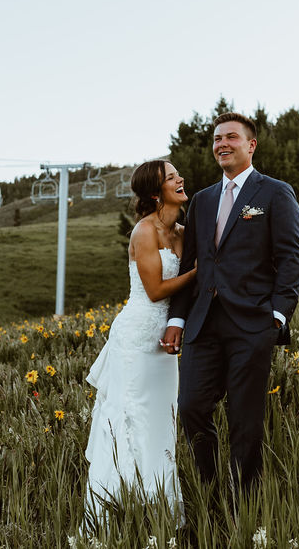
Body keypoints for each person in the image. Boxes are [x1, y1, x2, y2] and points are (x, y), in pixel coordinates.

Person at [163, 111, 299, 497]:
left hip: (252, 324)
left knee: (245, 420)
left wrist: (276, 317)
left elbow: (292, 257)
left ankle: (244, 502)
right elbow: (189, 264)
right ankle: (209, 491)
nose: (222, 144)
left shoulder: (275, 192)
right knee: (192, 407)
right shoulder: (203, 201)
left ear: (251, 145)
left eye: (230, 137)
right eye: (216, 139)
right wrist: (177, 318)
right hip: (202, 324)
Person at [84, 160, 197, 526]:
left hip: (166, 344)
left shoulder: (183, 232)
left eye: (177, 174)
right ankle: (115, 514)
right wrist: (203, 270)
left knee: (161, 423)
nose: (179, 179)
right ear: (154, 191)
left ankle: (160, 514)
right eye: (170, 177)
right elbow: (155, 290)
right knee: (130, 419)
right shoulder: (144, 232)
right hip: (136, 339)